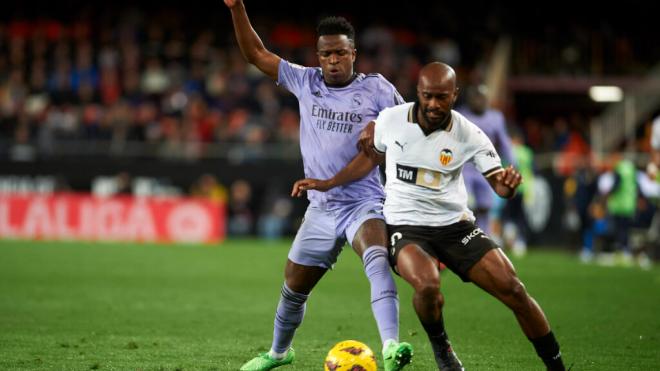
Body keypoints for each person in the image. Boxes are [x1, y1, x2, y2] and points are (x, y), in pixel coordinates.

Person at [292, 62, 567, 371]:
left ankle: (556, 366)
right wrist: (328, 183)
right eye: (428, 96)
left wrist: (507, 186)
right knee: (427, 286)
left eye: (442, 97)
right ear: (418, 94)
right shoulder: (390, 121)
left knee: (514, 289)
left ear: (454, 95)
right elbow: (369, 160)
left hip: (455, 227)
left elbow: (499, 185)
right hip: (406, 228)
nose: (434, 104)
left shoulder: (469, 133)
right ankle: (442, 348)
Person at [224, 1, 413, 370]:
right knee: (294, 286)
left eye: (341, 52)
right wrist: (237, 8)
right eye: (326, 53)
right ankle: (279, 354)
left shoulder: (377, 89)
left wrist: (385, 126)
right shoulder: (305, 80)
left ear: (353, 54)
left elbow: (411, 125)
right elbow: (255, 54)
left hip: (364, 202)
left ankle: (391, 347)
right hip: (322, 208)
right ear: (318, 55)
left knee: (376, 258)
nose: (333, 60)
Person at [457, 85, 515, 237]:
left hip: (486, 168)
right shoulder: (461, 115)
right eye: (475, 97)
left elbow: (503, 142)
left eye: (481, 98)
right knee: (466, 206)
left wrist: (512, 162)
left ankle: (484, 236)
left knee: (485, 207)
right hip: (465, 168)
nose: (478, 101)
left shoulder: (496, 118)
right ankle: (464, 237)